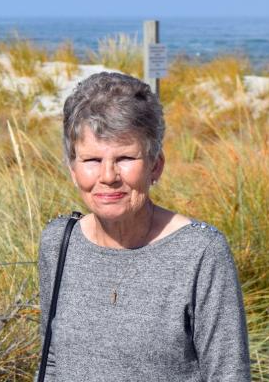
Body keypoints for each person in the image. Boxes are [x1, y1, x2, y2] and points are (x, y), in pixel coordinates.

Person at [37, 72, 251, 381]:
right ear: (73, 169)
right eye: (92, 160)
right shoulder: (59, 242)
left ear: (156, 165)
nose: (108, 176)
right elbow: (51, 361)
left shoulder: (200, 253)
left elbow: (228, 373)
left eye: (125, 157)